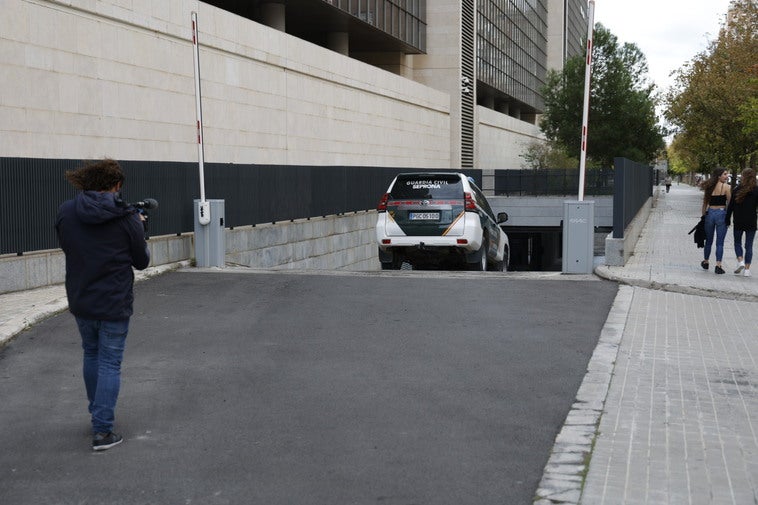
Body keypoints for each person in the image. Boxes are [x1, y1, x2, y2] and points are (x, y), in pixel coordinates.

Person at [55, 159, 150, 451]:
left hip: (82, 297)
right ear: (116, 185)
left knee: (92, 355)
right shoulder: (127, 217)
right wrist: (139, 229)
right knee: (109, 362)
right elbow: (142, 261)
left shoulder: (67, 211)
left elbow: (67, 244)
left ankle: (97, 415)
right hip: (114, 301)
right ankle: (103, 431)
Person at [726, 168, 758, 277]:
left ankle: (740, 261)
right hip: (751, 221)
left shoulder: (736, 189)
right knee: (749, 246)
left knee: (737, 243)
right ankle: (747, 270)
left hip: (738, 221)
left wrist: (727, 219)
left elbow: (730, 207)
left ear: (743, 176)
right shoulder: (756, 190)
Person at [700, 168, 731, 274]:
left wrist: (703, 215)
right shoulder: (727, 187)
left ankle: (706, 261)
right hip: (721, 214)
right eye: (725, 174)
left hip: (710, 213)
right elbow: (730, 204)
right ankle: (718, 265)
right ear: (719, 176)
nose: (727, 176)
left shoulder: (708, 187)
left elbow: (705, 203)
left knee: (708, 240)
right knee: (720, 242)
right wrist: (729, 217)